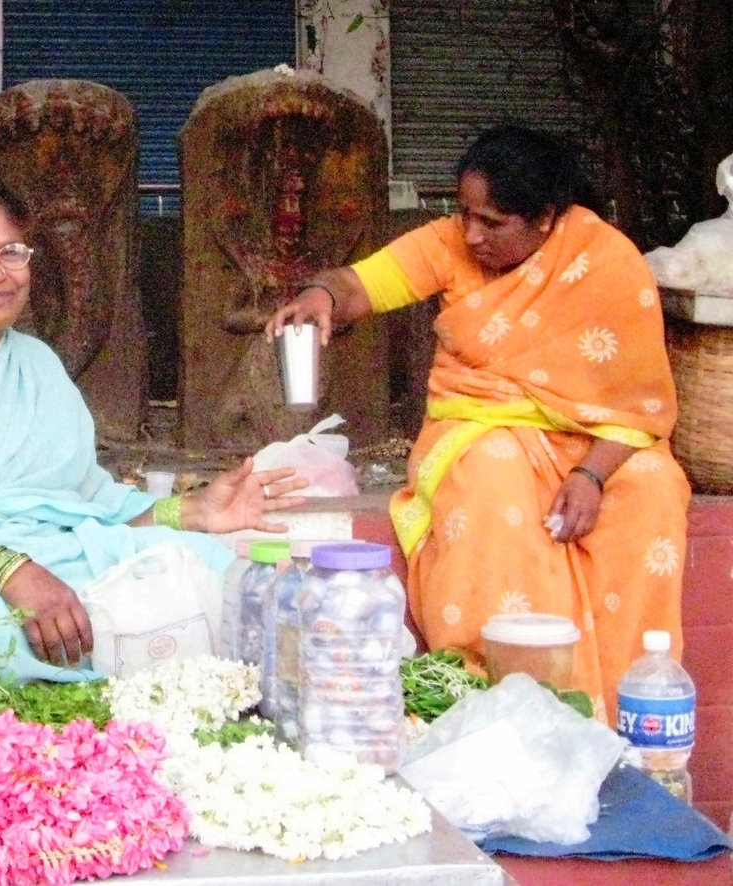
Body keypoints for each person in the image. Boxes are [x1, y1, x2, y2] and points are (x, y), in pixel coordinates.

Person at [266, 124, 691, 724]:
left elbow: (638, 402)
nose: (471, 234)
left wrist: (591, 477)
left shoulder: (605, 262)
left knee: (650, 486)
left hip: (596, 439)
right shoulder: (450, 245)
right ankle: (500, 697)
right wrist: (322, 297)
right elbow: (361, 282)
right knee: (495, 472)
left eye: (492, 222)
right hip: (479, 427)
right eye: (465, 213)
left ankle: (625, 708)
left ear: (544, 218)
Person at [0, 176, 306, 682]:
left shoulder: (36, 361)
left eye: (11, 252)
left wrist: (193, 510)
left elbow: (81, 514)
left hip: (53, 559)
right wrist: (11, 572)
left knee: (206, 564)